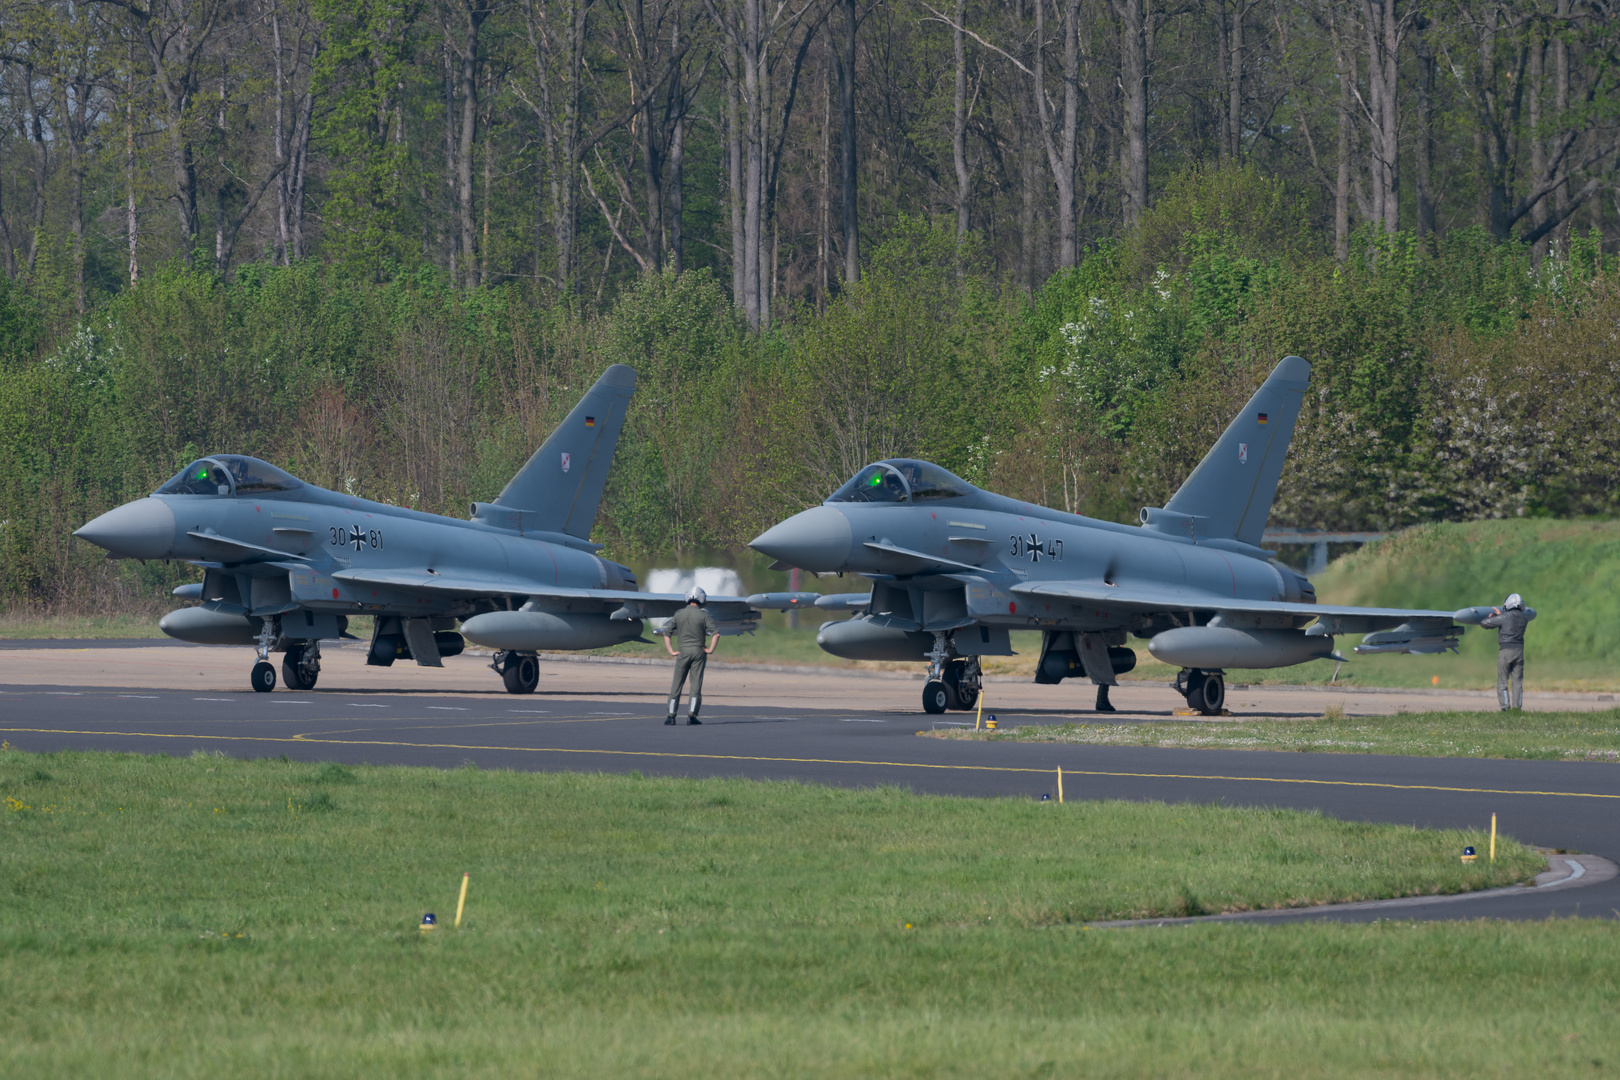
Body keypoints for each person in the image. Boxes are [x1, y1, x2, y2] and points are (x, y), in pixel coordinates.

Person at [664, 586, 719, 724]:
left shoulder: (679, 614)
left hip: (682, 652)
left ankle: (671, 716)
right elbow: (716, 633)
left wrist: (671, 651)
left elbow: (667, 633)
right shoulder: (703, 615)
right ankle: (692, 716)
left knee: (677, 684)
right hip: (698, 653)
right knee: (695, 685)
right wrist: (710, 649)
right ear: (701, 599)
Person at [1481, 593, 1535, 711]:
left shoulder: (1505, 617)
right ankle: (1517, 708)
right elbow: (1511, 619)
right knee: (1517, 683)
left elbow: (1485, 623)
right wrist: (1501, 615)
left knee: (1502, 682)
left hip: (1505, 651)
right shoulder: (1524, 618)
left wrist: (1491, 617)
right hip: (1519, 651)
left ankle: (1505, 708)